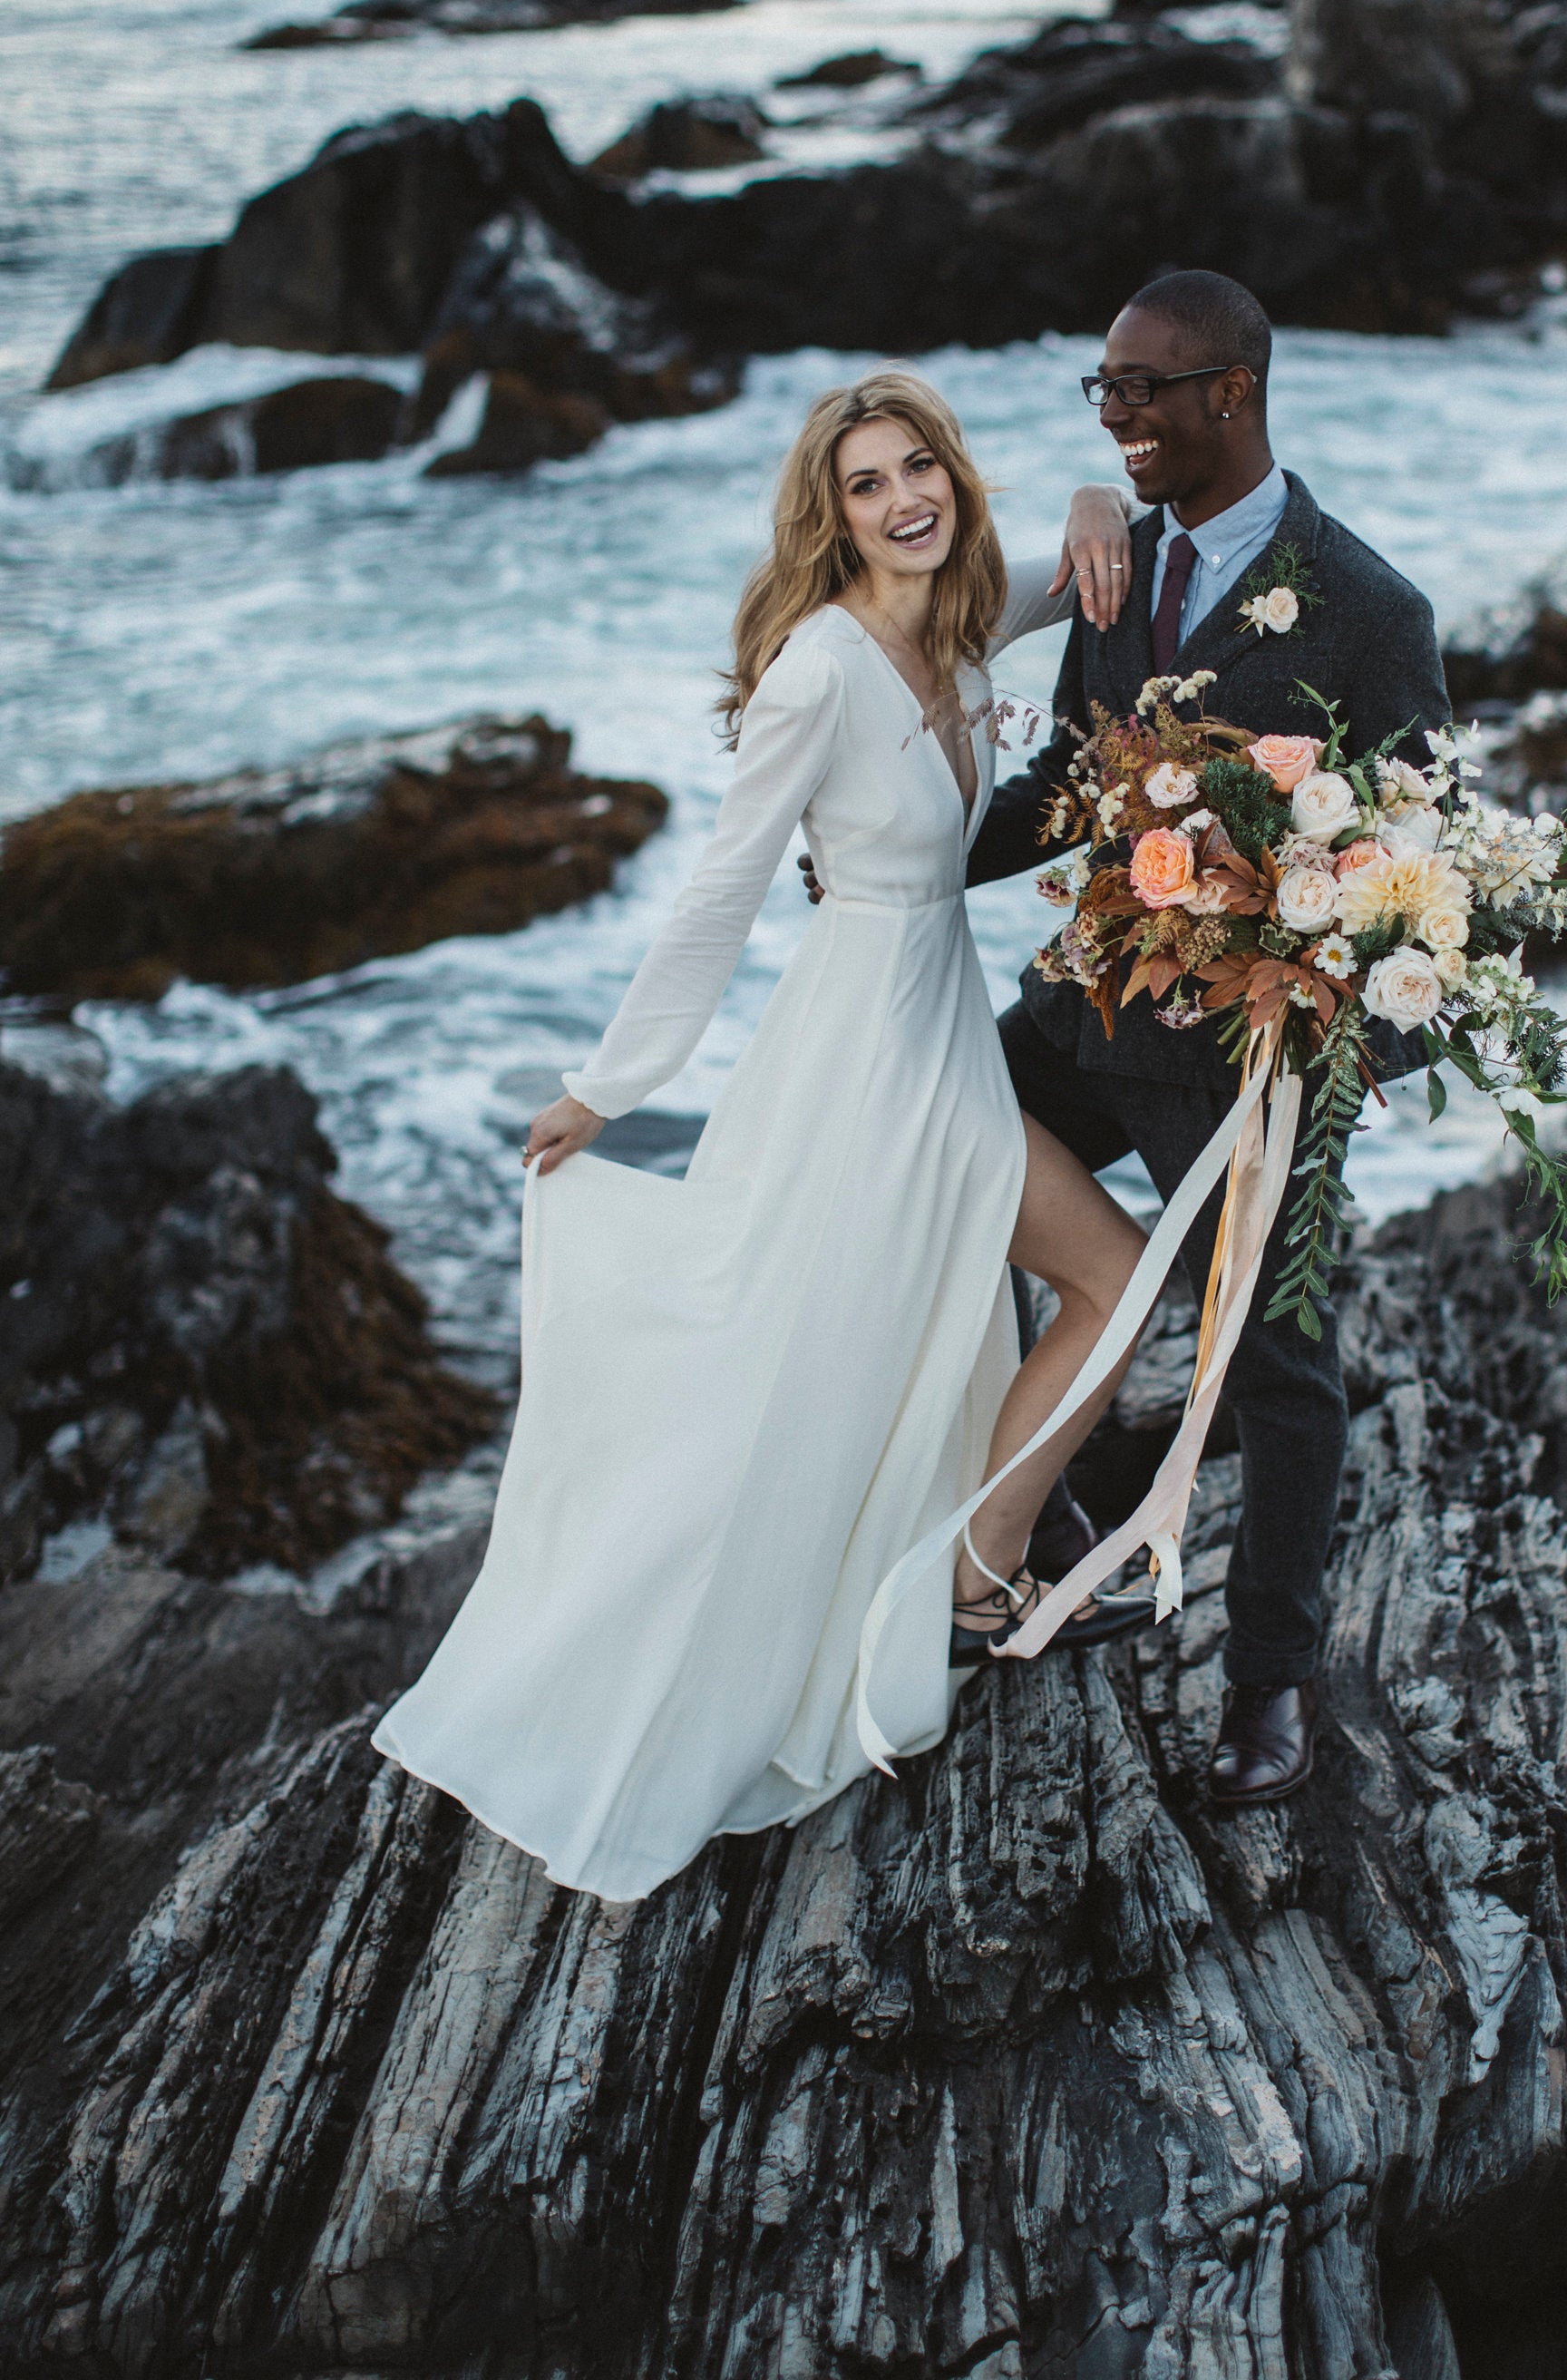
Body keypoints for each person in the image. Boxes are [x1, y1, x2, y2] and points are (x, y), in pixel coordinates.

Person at [374, 370, 1159, 1903]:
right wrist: (610, 1086)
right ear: (831, 515)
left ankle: (963, 1578)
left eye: (916, 466)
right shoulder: (819, 666)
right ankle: (966, 1588)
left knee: (888, 1343)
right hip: (870, 1055)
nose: (900, 501)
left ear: (949, 474)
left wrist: (1094, 501)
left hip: (931, 1024)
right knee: (1072, 1288)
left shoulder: (946, 618)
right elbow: (722, 886)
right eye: (865, 486)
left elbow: (1088, 559)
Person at [967, 269, 1451, 1809]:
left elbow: (1432, 880)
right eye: (1098, 393)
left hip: (1240, 1067)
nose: (1114, 418)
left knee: (1284, 1366)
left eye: (1140, 390)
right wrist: (904, 851)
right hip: (1079, 1014)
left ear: (1229, 391)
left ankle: (1271, 1690)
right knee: (920, 1164)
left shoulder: (1370, 611)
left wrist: (1341, 1056)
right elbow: (1069, 778)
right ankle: (1025, 1510)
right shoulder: (1121, 560)